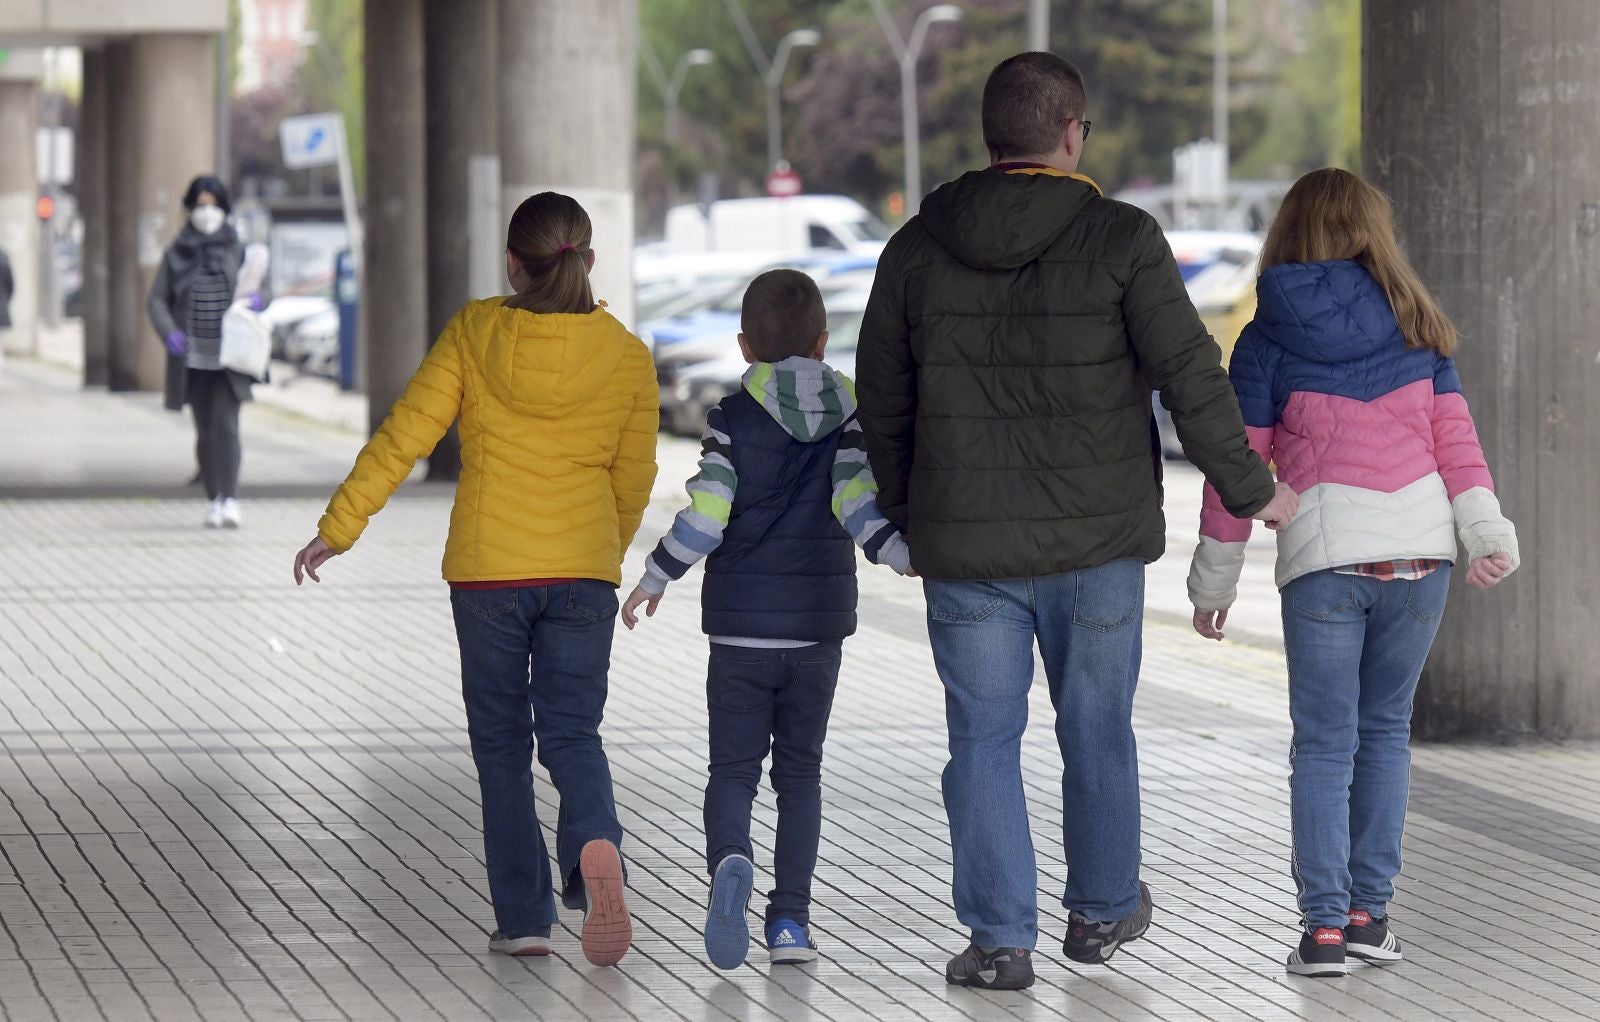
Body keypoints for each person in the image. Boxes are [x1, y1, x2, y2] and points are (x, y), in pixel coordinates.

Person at [855, 51, 1299, 991]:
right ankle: (1099, 914)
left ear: (991, 138)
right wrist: (1254, 489)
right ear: (1070, 134)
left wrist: (907, 517)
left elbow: (882, 403)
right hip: (1096, 548)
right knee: (1096, 729)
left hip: (967, 549)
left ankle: (998, 940)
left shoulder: (916, 247)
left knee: (981, 740)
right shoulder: (1123, 238)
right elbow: (1191, 375)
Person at [291, 192, 659, 967]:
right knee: (572, 733)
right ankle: (595, 842)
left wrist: (339, 527)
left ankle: (524, 920)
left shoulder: (476, 331)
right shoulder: (627, 355)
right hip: (582, 574)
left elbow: (404, 435)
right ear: (589, 262)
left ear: (512, 264)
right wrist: (601, 553)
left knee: (501, 746)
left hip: (489, 575)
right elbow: (634, 480)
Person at [1186, 168, 1519, 979]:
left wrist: (1212, 586)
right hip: (1419, 558)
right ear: (1375, 231)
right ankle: (1371, 918)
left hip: (1324, 562)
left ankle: (1325, 932)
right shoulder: (1419, 324)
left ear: (1289, 232)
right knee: (1383, 739)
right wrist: (1487, 533)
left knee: (1325, 746)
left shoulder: (1266, 338)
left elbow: (1241, 468)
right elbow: (1457, 450)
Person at [621, 269, 913, 970]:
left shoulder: (733, 416)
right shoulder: (850, 414)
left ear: (746, 345)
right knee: (801, 776)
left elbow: (707, 517)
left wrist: (656, 575)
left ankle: (730, 860)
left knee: (733, 770)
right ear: (822, 341)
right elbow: (857, 509)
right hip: (816, 631)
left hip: (740, 633)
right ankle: (790, 924)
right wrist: (908, 555)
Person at [148, 175, 256, 527]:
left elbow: (258, 287)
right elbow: (157, 298)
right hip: (193, 360)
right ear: (190, 209)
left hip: (230, 357)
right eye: (199, 205)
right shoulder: (176, 252)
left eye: (213, 205)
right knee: (205, 430)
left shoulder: (237, 249)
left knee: (227, 425)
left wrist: (257, 300)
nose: (206, 212)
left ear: (223, 208)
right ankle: (213, 497)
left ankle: (231, 497)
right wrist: (169, 333)